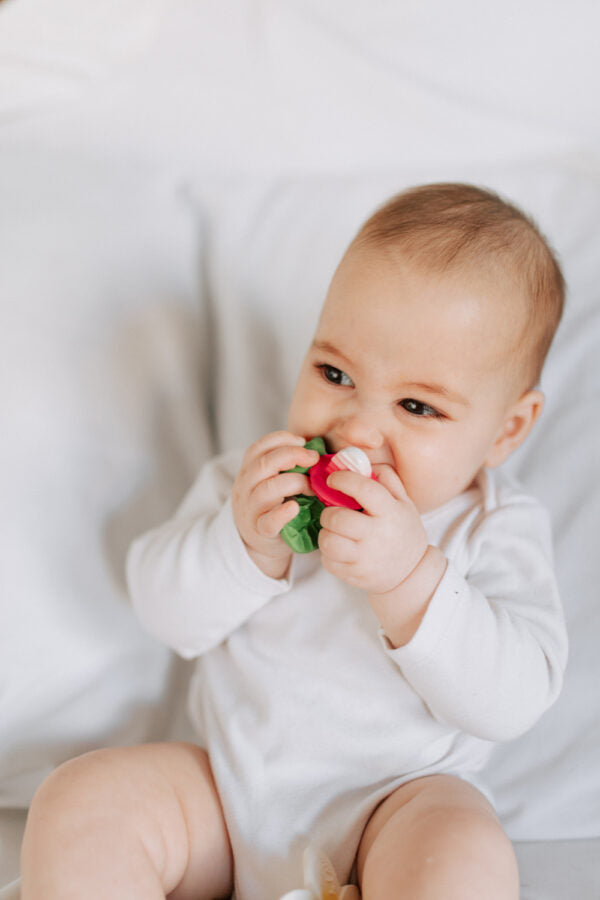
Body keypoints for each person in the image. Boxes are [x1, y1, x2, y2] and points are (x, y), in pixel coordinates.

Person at [20, 184, 568, 900]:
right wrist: (243, 548)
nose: (357, 429)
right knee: (80, 800)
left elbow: (514, 699)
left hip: (396, 807)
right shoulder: (257, 488)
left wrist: (410, 579)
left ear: (507, 430)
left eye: (416, 406)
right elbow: (162, 610)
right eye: (335, 374)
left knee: (465, 852)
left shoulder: (496, 526)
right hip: (224, 800)